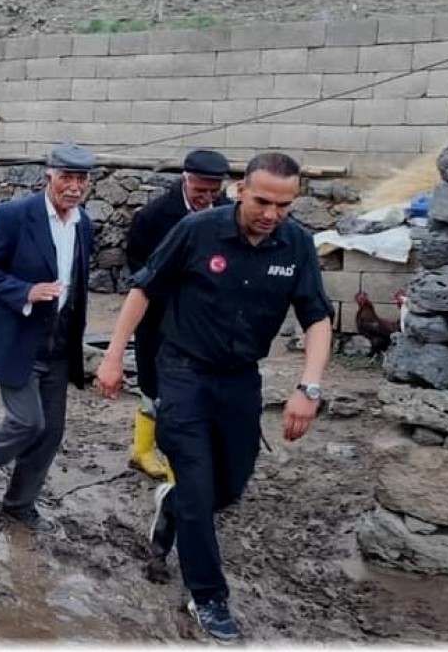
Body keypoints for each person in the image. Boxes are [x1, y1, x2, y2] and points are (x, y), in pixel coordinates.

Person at [96, 152, 334, 643]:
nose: (271, 214)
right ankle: (209, 597)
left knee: (230, 485)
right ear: (241, 190)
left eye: (284, 205)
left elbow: (316, 316)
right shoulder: (197, 231)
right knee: (201, 493)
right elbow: (143, 291)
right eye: (263, 201)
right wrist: (113, 356)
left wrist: (308, 387)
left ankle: (172, 506)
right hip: (183, 374)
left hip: (241, 380)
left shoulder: (297, 245)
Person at [0, 143, 96, 533]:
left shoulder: (84, 224)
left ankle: (19, 503)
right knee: (27, 421)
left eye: (81, 179)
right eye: (66, 177)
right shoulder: (15, 216)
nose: (74, 186)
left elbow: (77, 285)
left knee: (50, 432)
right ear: (48, 176)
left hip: (59, 342)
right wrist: (25, 292)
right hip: (16, 338)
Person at [124, 149, 231, 481]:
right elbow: (139, 272)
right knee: (157, 389)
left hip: (209, 324)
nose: (207, 197)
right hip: (161, 319)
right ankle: (144, 452)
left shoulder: (229, 214)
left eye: (214, 191)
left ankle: (183, 461)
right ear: (185, 179)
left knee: (194, 394)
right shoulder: (153, 217)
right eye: (201, 190)